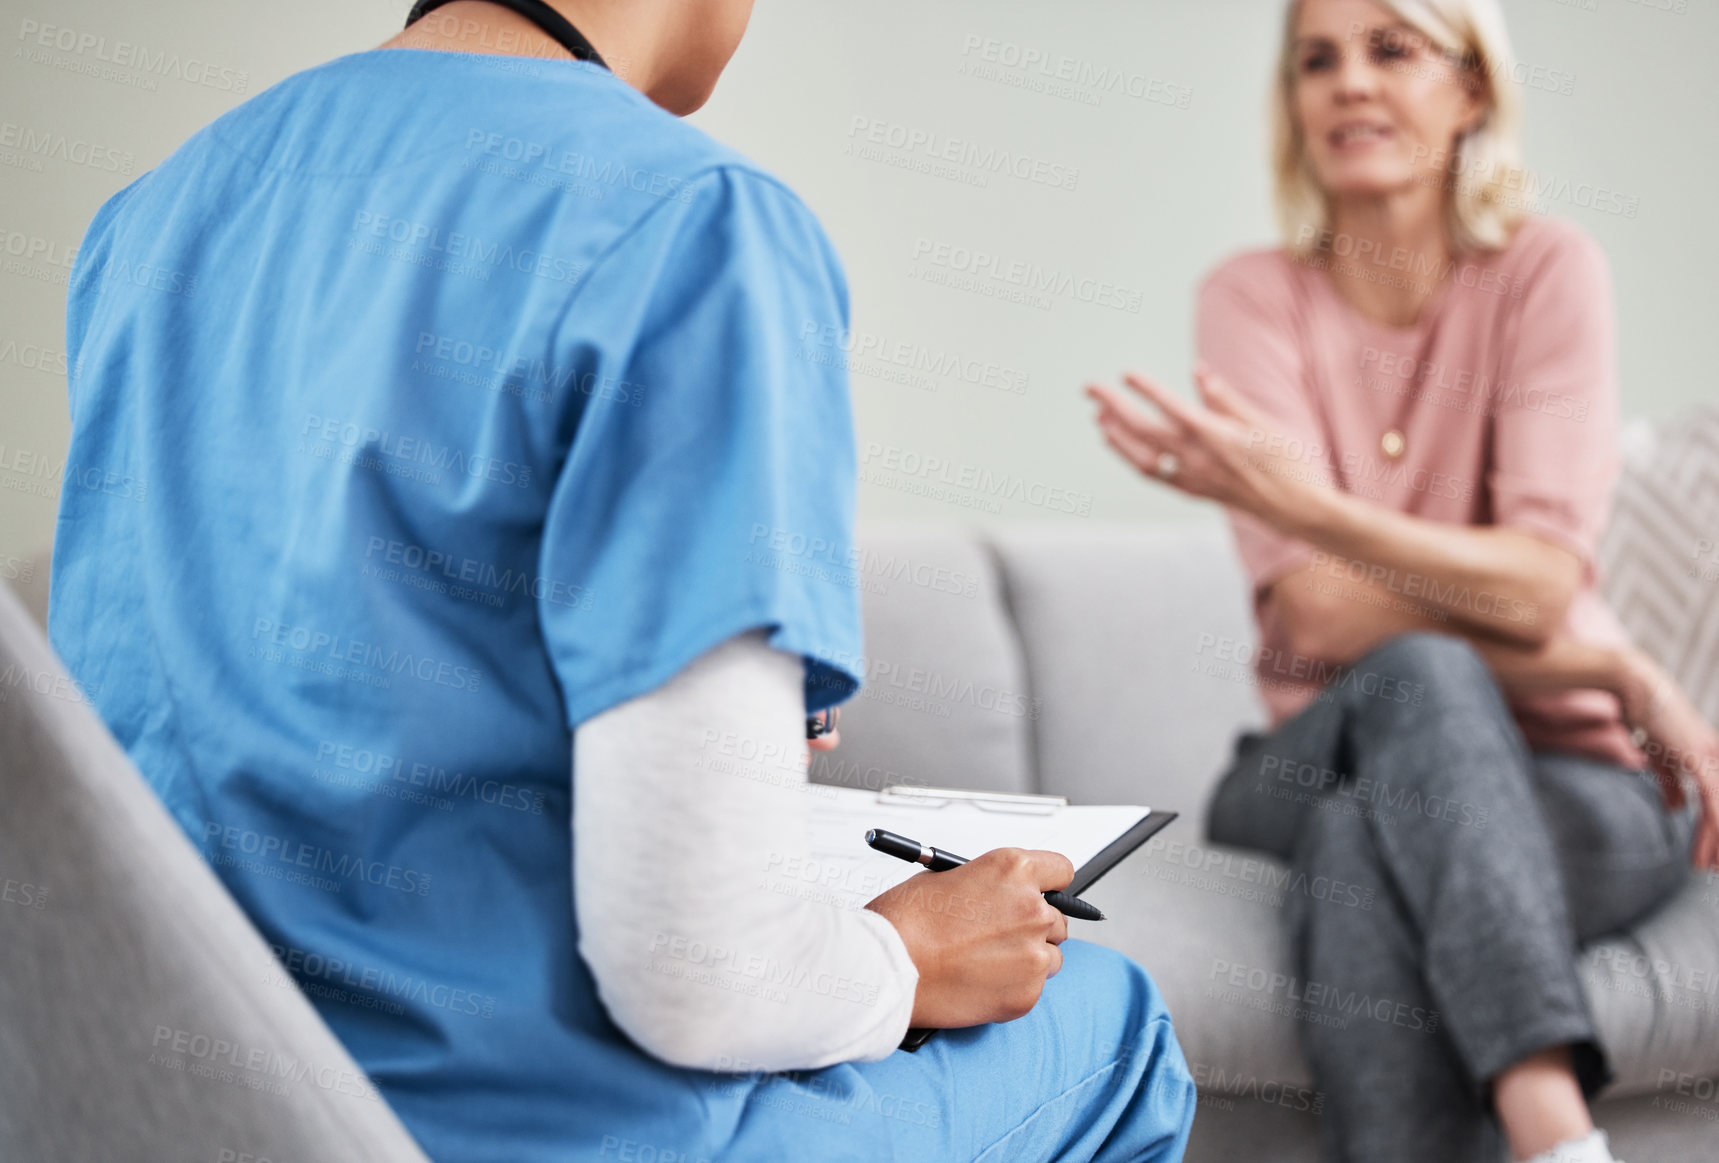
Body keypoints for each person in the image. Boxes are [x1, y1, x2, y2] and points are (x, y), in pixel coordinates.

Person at [49, 1, 1196, 1160]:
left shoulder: (158, 212)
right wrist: (907, 957)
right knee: (1117, 1030)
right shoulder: (694, 225)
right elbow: (702, 976)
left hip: (183, 1107)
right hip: (526, 1131)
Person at [1084, 1, 1719, 1161]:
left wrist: (1314, 510)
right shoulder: (1253, 297)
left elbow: (1535, 580)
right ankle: (1557, 1130)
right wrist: (1609, 659)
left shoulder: (1546, 272)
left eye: (1392, 49)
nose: (1348, 84)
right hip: (1326, 739)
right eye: (1315, 60)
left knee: (1361, 846)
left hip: (1575, 774)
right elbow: (1320, 611)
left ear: (1472, 88)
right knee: (1416, 675)